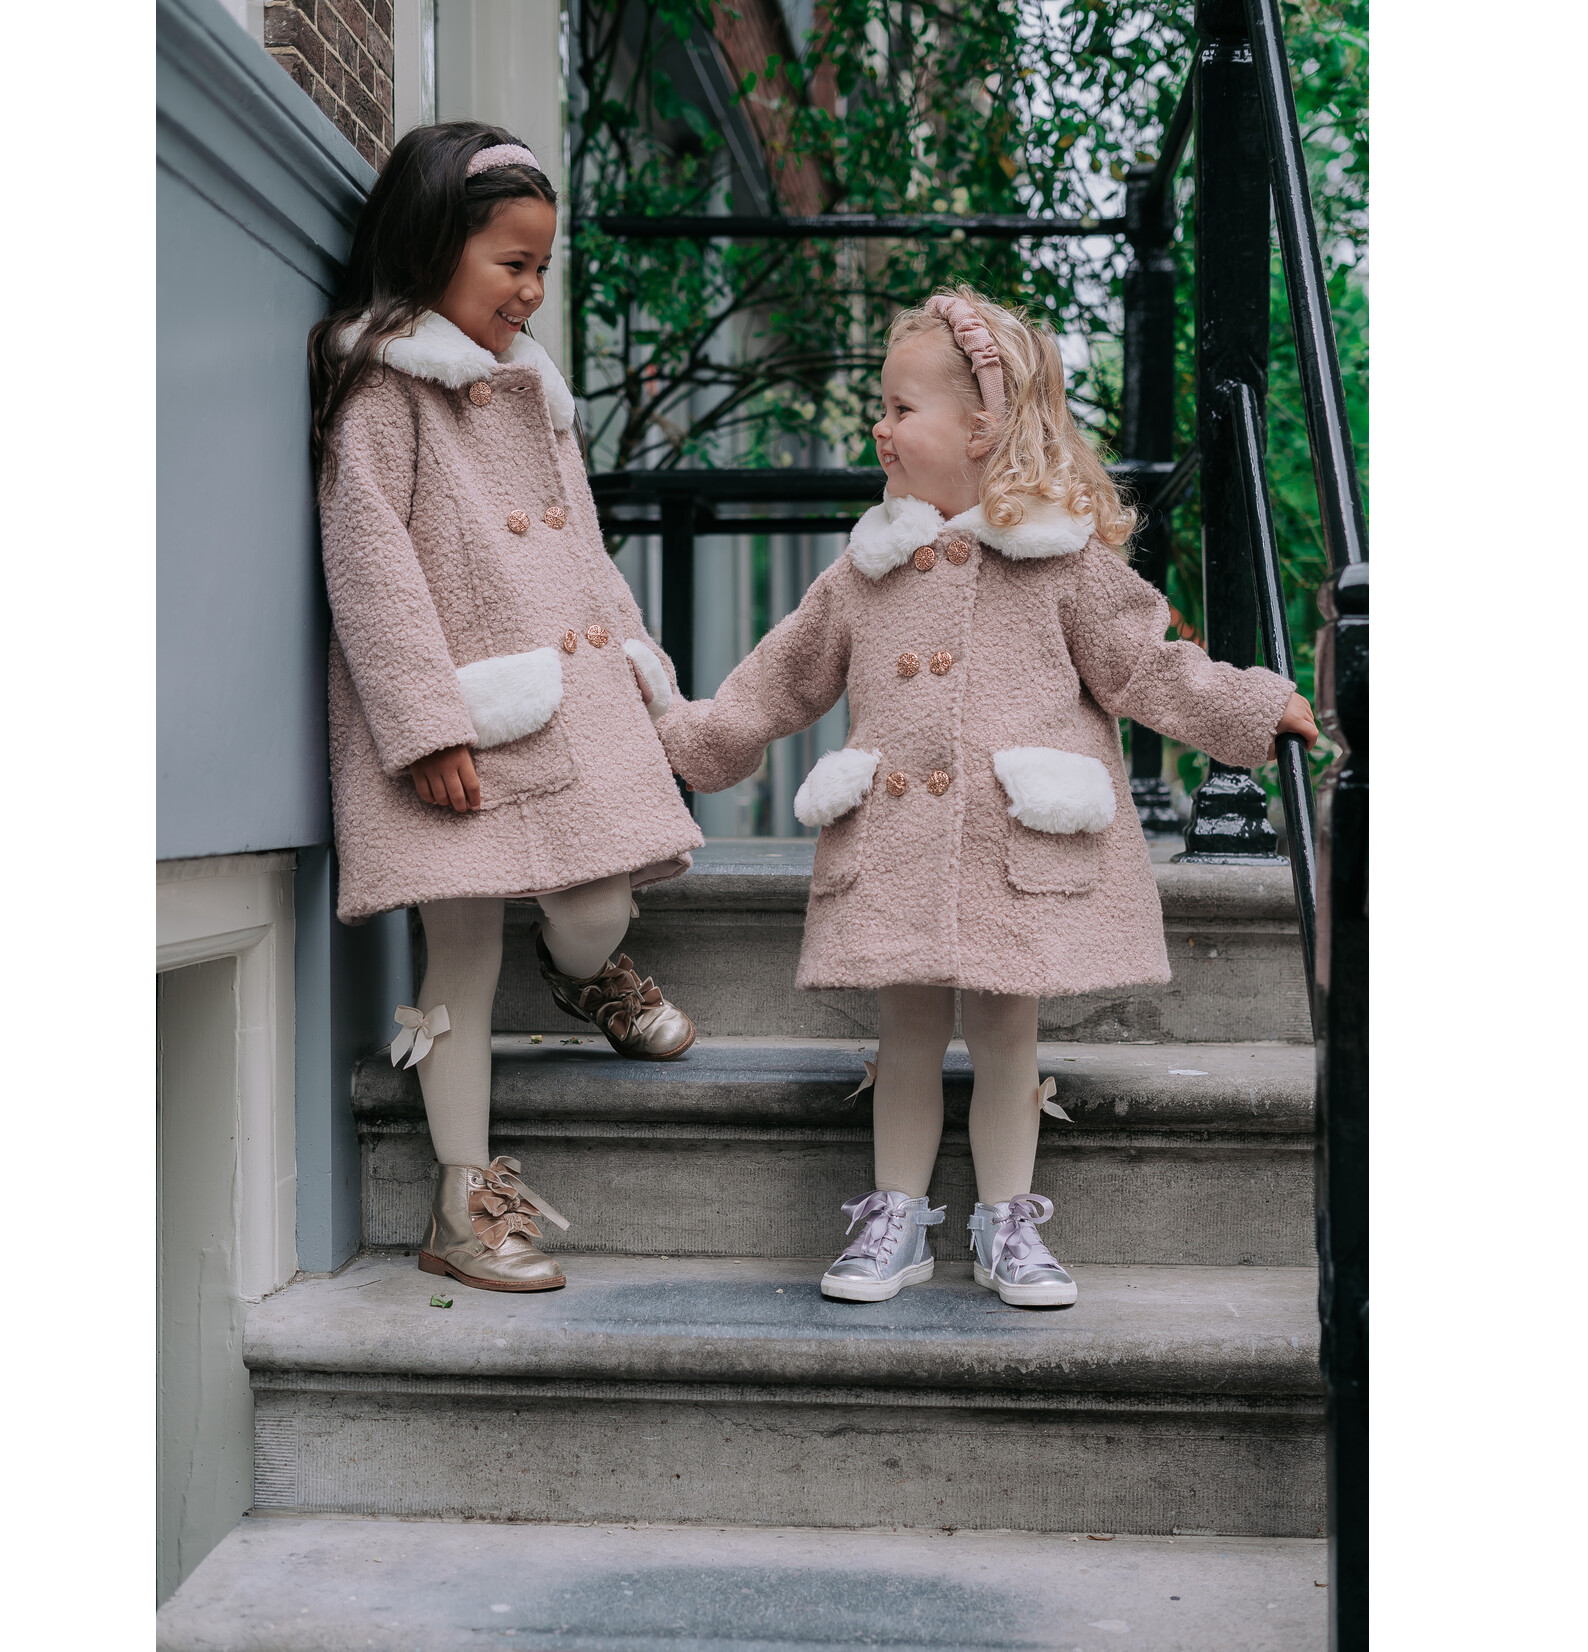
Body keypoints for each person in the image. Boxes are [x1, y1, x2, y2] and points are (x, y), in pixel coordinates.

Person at [652, 286, 1318, 1308]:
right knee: (905, 1034)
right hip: (900, 848)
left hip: (1010, 852)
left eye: (899, 408)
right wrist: (694, 738)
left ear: (980, 428)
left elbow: (1147, 666)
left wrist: (1253, 705)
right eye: (879, 407)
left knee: (1008, 1037)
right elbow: (779, 677)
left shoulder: (1061, 563)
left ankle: (1008, 1219)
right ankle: (894, 1215)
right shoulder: (863, 571)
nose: (879, 427)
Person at [308, 123, 703, 1294]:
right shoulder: (385, 387)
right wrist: (422, 722)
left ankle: (583, 973)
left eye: (542, 267)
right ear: (433, 244)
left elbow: (580, 551)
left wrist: (639, 665)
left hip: (565, 704)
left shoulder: (535, 389)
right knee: (460, 949)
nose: (531, 290)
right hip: (462, 725)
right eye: (511, 263)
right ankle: (463, 1197)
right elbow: (369, 562)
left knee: (596, 903)